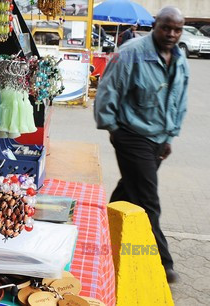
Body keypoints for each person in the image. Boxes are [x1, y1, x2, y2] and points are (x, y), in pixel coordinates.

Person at [94, 6, 188, 284]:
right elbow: (107, 90)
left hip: (159, 139)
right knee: (148, 199)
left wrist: (170, 137)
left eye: (177, 29)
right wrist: (113, 129)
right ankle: (164, 262)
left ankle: (103, 233)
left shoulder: (181, 59)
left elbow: (179, 101)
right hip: (131, 134)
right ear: (155, 25)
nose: (171, 34)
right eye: (166, 27)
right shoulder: (132, 53)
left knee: (129, 188)